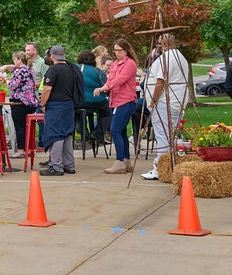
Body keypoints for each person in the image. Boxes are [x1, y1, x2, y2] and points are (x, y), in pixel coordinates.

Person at [140, 33, 191, 180]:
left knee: (163, 136)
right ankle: (169, 167)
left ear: (165, 45)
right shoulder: (181, 57)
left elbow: (160, 81)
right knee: (171, 136)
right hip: (176, 102)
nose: (158, 47)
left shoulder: (167, 58)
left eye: (159, 44)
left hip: (165, 102)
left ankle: (160, 168)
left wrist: (154, 99)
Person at [97, 38, 139, 173]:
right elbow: (111, 79)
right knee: (120, 131)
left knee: (114, 130)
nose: (117, 53)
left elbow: (120, 79)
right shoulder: (115, 63)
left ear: (126, 51)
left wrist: (105, 87)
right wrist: (105, 87)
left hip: (126, 101)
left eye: (119, 50)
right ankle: (126, 161)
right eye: (115, 50)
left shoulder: (130, 64)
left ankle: (120, 161)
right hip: (116, 101)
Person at [38, 45, 79, 176]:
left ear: (52, 56)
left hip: (56, 106)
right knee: (66, 134)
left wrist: (42, 103)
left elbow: (47, 89)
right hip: (69, 105)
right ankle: (69, 165)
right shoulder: (71, 69)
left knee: (55, 134)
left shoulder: (53, 70)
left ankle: (56, 166)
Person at [4, 50, 38, 158]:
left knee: (19, 126)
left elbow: (12, 86)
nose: (13, 62)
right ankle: (29, 148)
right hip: (31, 102)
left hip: (20, 102)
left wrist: (6, 80)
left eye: (14, 59)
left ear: (19, 60)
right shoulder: (30, 70)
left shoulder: (20, 71)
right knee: (25, 127)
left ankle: (21, 150)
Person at [76, 49, 110, 149]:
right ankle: (97, 133)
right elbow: (105, 86)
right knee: (108, 112)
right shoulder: (97, 71)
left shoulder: (74, 69)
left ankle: (84, 133)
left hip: (79, 101)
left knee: (76, 113)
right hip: (96, 101)